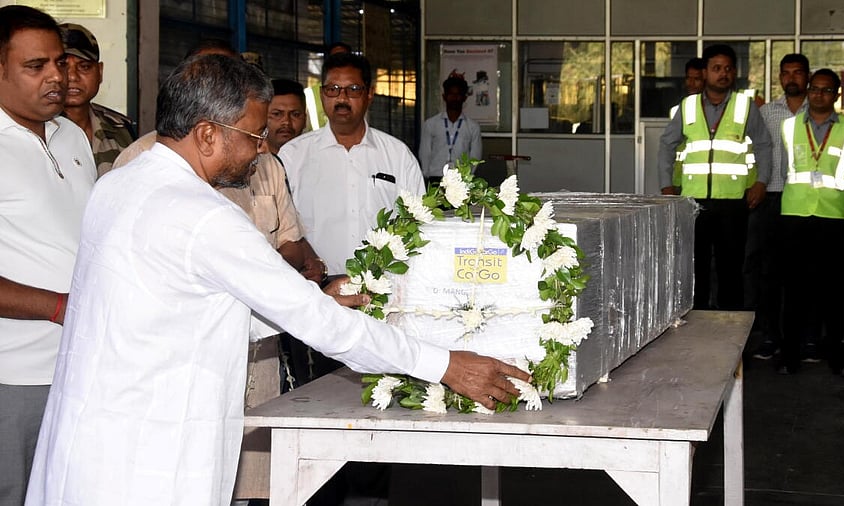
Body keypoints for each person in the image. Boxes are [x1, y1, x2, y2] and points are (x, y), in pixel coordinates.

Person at [24, 54, 528, 506]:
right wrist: (444, 365)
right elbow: (326, 330)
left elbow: (181, 313)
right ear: (207, 134)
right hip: (151, 458)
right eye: (253, 134)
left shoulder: (121, 185)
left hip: (89, 446)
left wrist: (315, 294)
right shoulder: (204, 215)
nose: (262, 149)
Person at [111, 43, 325, 503]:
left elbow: (289, 237)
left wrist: (302, 273)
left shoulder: (263, 163)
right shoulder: (143, 163)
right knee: (185, 477)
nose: (262, 143)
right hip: (182, 369)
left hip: (258, 359)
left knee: (249, 479)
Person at [0, 6, 96, 505]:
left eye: (59, 63)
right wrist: (61, 308)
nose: (57, 77)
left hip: (80, 368)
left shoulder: (71, 134)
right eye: (35, 67)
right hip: (12, 376)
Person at [280, 52, 425, 277]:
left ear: (369, 95)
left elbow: (419, 225)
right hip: (316, 290)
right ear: (322, 94)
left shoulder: (398, 155)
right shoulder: (293, 155)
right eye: (333, 89)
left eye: (353, 90)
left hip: (385, 288)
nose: (342, 98)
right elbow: (281, 229)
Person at [657, 44, 773, 311]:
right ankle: (695, 321)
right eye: (716, 68)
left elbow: (765, 145)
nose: (723, 74)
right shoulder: (687, 107)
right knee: (694, 266)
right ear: (705, 72)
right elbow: (667, 145)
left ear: (734, 73)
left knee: (731, 267)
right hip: (693, 202)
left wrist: (761, 182)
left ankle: (729, 328)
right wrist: (666, 185)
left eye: (728, 68)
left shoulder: (745, 106)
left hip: (733, 201)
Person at [777, 69, 844, 376]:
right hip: (795, 214)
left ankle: (835, 355)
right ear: (808, 91)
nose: (819, 95)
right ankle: (790, 354)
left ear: (836, 95)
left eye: (827, 91)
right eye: (815, 89)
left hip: (831, 215)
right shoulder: (789, 127)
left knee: (831, 289)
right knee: (794, 287)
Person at [750, 53, 810, 362]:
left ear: (807, 76)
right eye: (786, 73)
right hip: (772, 198)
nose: (791, 79)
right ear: (779, 78)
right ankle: (771, 337)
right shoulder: (766, 112)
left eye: (797, 73)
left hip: (807, 202)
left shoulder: (819, 112)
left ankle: (805, 339)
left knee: (804, 273)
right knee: (770, 273)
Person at [58, 23, 135, 177]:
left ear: (99, 72)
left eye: (84, 66)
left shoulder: (120, 128)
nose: (72, 76)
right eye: (63, 66)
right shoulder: (35, 130)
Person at [419, 74, 482, 187]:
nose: (455, 98)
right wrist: (427, 175)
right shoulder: (431, 124)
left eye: (458, 95)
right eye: (451, 94)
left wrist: (468, 175)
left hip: (461, 179)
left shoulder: (473, 127)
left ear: (464, 97)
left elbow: (475, 156)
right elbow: (425, 151)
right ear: (444, 96)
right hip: (436, 177)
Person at [665, 57, 706, 194]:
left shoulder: (716, 110)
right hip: (680, 181)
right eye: (688, 78)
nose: (691, 83)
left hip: (706, 181)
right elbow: (668, 146)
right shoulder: (679, 109)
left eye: (697, 79)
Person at [267, 78, 307, 155]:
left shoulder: (317, 160)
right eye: (277, 114)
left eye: (295, 115)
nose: (286, 122)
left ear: (305, 120)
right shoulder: (248, 162)